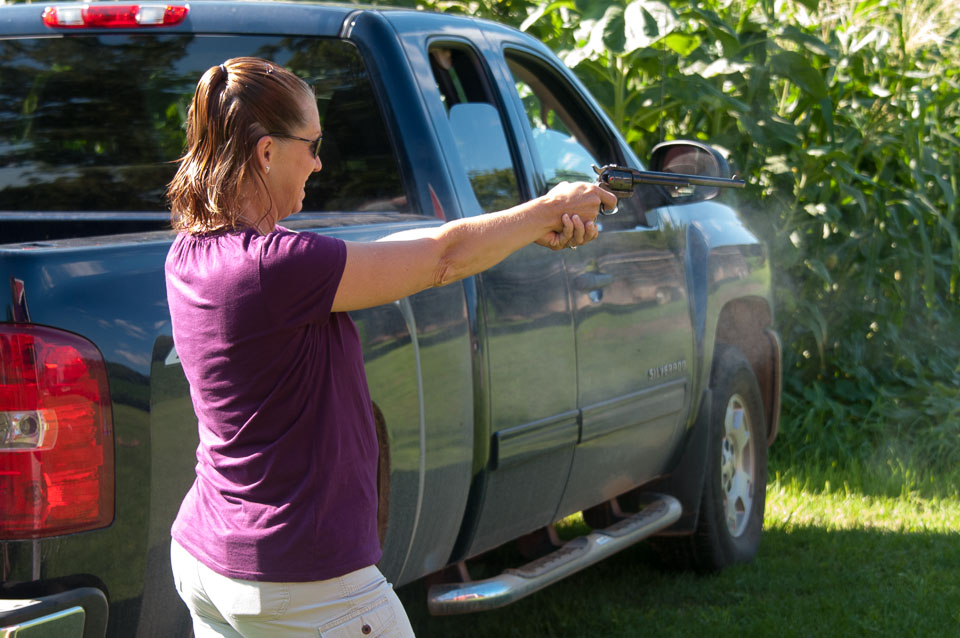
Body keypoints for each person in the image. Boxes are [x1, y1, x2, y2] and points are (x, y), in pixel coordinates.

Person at [164, 56, 616, 638]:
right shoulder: (276, 269)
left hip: (210, 557)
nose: (320, 162)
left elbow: (402, 248)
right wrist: (546, 210)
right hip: (300, 575)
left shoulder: (195, 255)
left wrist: (532, 223)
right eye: (312, 144)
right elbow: (443, 258)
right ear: (266, 152)